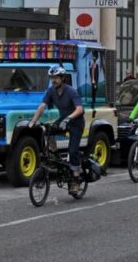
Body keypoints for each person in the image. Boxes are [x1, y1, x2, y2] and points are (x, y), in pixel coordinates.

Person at [28, 65, 85, 196]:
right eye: (51, 78)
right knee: (47, 131)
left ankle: (76, 180)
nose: (53, 80)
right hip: (63, 119)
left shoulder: (71, 91)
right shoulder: (51, 91)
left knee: (73, 150)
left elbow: (80, 109)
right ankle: (56, 155)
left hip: (76, 122)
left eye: (56, 78)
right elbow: (42, 106)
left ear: (62, 78)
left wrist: (68, 119)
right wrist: (33, 121)